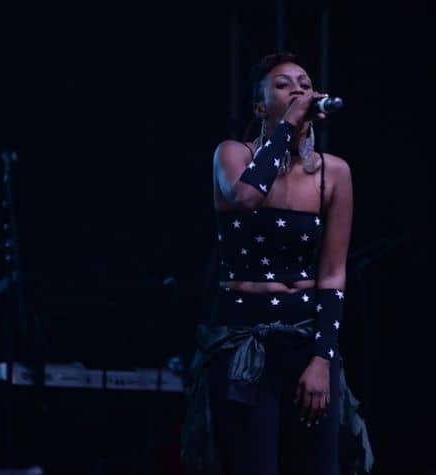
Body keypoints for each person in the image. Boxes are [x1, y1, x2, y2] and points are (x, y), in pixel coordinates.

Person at [180, 51, 373, 475]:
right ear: (259, 106)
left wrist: (322, 359)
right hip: (243, 341)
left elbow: (333, 273)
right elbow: (246, 196)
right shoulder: (231, 154)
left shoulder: (334, 173)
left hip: (306, 337)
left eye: (305, 84)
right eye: (284, 85)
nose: (298, 90)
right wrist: (286, 127)